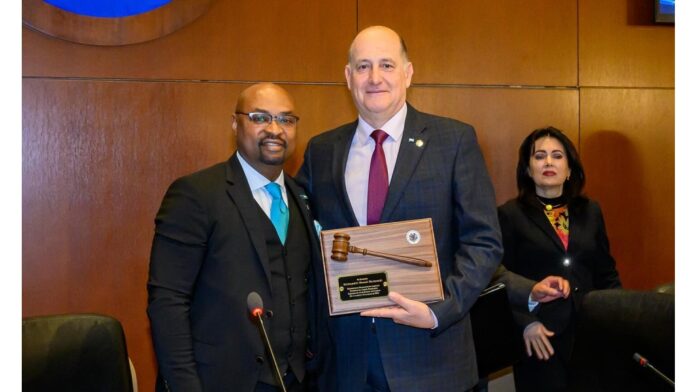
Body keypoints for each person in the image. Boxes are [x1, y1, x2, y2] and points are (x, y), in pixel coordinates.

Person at [296, 25, 503, 392]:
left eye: (387, 65)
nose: (374, 78)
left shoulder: (453, 141)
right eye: (363, 67)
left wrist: (438, 312)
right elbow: (300, 240)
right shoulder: (321, 151)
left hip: (431, 359)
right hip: (345, 365)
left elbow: (484, 243)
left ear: (408, 73)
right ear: (347, 77)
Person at [147, 83, 326, 392]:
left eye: (286, 119)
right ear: (235, 123)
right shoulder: (196, 194)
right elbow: (168, 302)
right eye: (260, 117)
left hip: (294, 381)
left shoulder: (302, 198)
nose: (275, 129)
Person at [498, 126, 622, 391]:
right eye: (539, 156)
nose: (548, 162)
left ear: (569, 169)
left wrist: (617, 322)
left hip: (590, 334)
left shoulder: (591, 211)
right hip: (540, 337)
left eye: (557, 155)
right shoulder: (510, 215)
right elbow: (497, 278)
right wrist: (525, 324)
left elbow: (606, 273)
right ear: (528, 169)